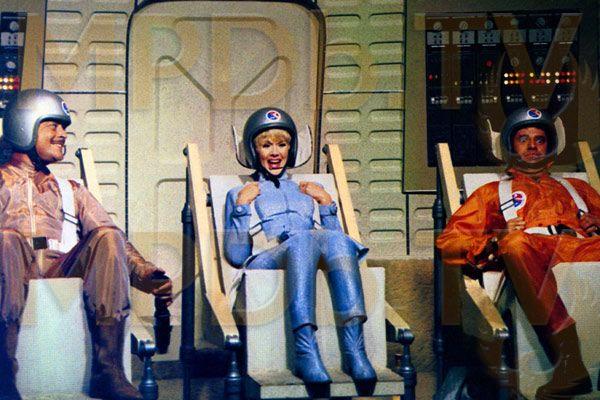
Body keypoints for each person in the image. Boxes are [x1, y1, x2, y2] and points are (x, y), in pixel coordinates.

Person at [0, 89, 173, 400]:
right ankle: (3, 374)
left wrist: (144, 272)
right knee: (6, 240)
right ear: (24, 125)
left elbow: (113, 238)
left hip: (60, 267)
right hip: (10, 268)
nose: (62, 134)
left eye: (63, 127)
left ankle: (108, 371)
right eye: (53, 126)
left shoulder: (69, 189)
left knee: (107, 235)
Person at [437, 107, 600, 399]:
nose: (532, 146)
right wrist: (494, 240)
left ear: (550, 146)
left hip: (583, 248)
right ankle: (570, 362)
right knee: (514, 243)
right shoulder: (490, 193)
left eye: (540, 139)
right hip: (531, 253)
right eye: (523, 139)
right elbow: (449, 243)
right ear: (510, 146)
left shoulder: (577, 188)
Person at [223, 108, 376, 384]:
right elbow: (236, 255)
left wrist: (327, 205)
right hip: (264, 257)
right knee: (303, 240)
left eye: (282, 144)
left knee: (333, 240)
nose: (275, 153)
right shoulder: (239, 192)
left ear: (291, 149)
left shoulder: (306, 189)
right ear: (253, 150)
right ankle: (306, 351)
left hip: (304, 250)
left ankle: (355, 351)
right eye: (266, 145)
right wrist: (242, 207)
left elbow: (338, 248)